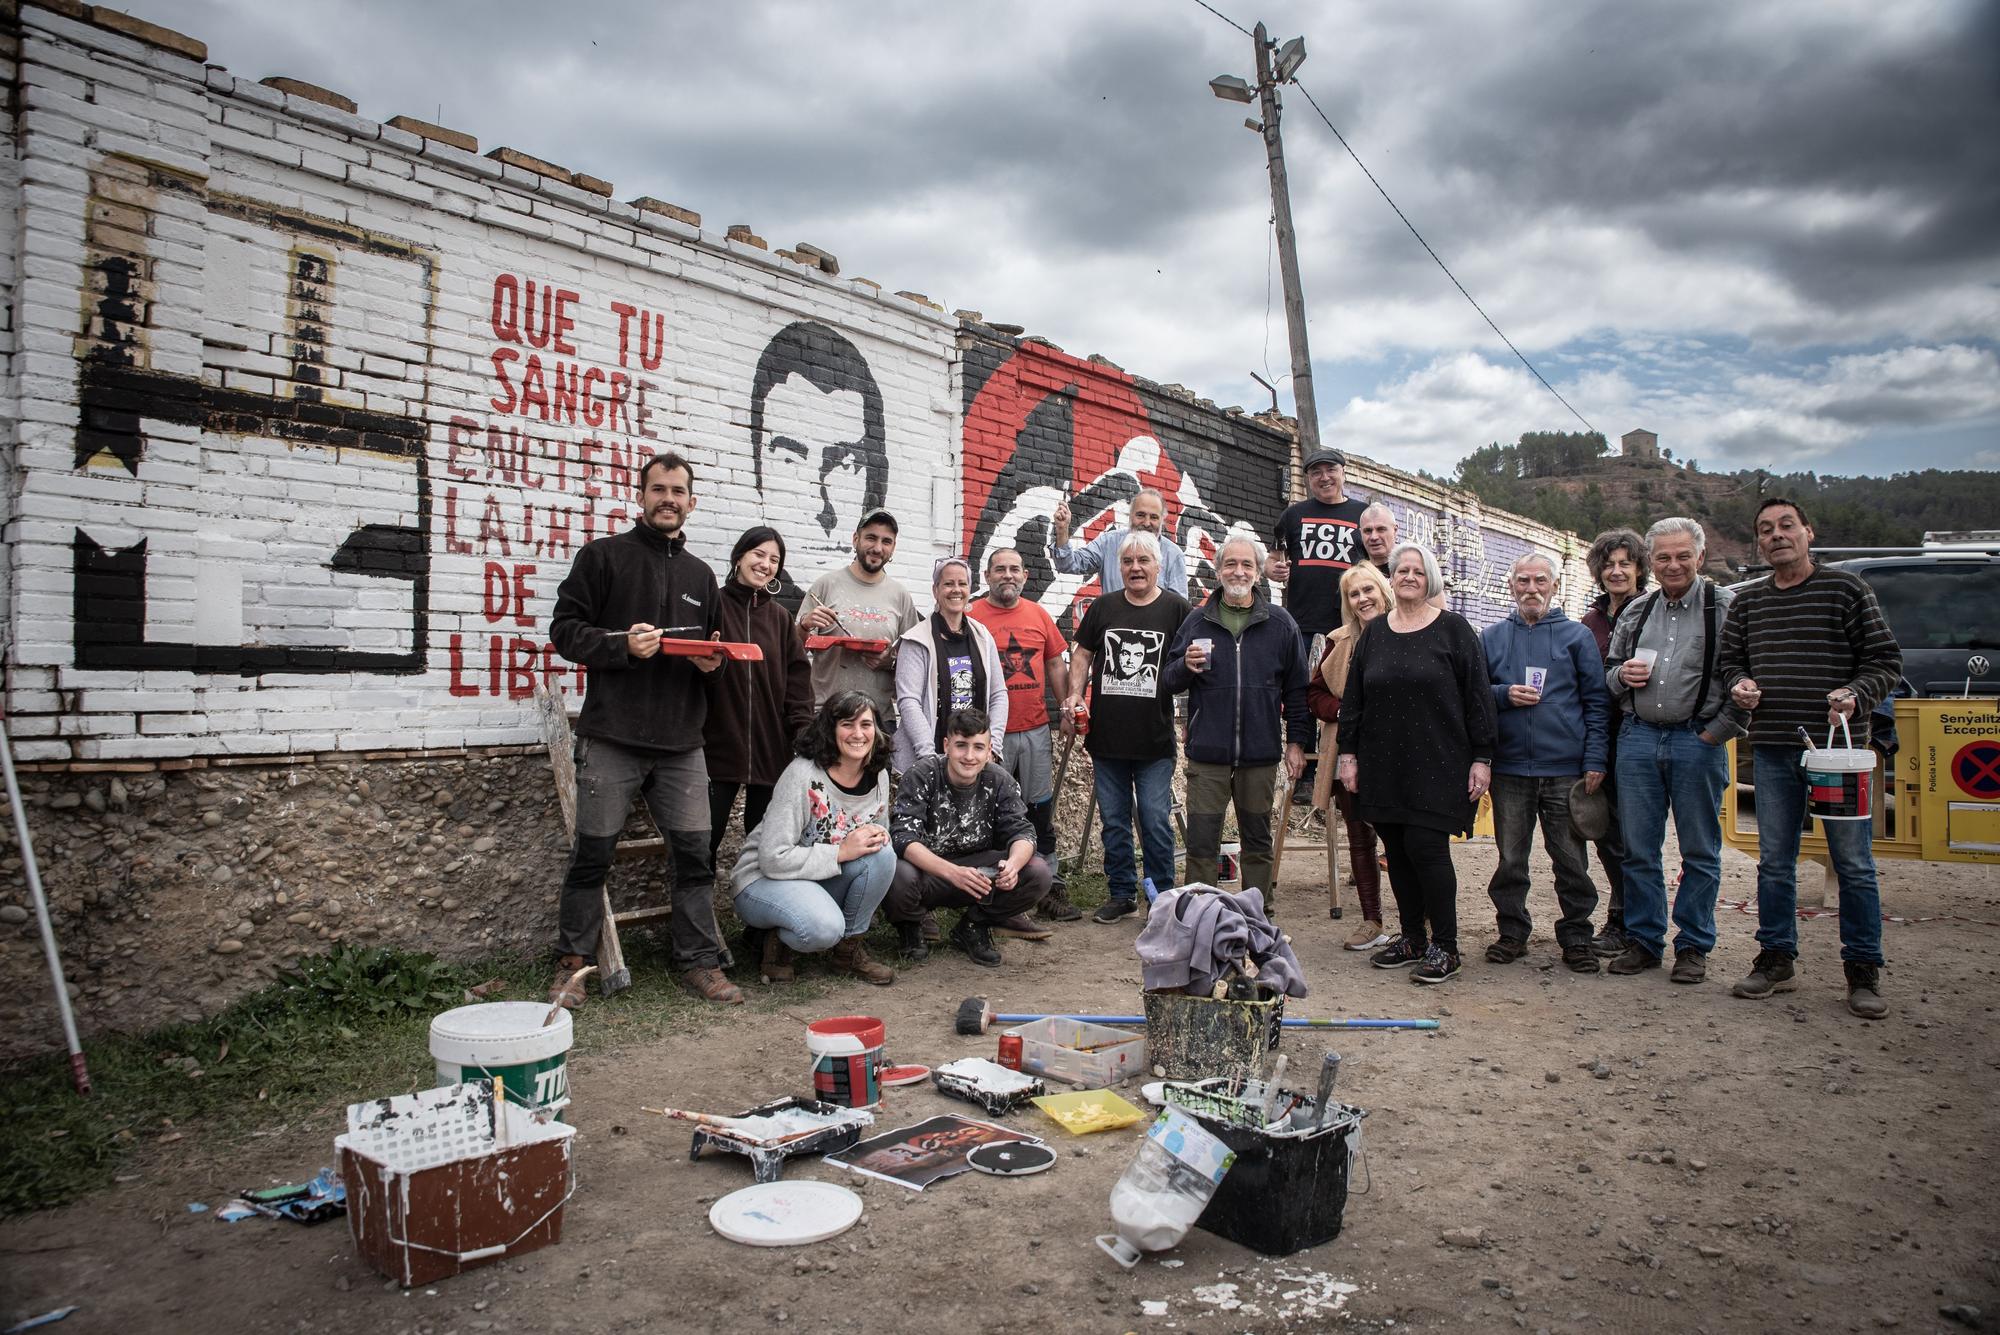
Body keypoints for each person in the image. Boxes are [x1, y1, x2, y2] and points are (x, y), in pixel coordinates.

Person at [547, 452, 738, 1007]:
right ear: (641, 496)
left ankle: (697, 962)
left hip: (683, 743)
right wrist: (621, 646)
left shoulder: (702, 576)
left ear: (691, 502)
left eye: (678, 491)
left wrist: (713, 663)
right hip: (612, 737)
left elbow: (712, 652)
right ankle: (572, 965)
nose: (668, 499)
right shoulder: (603, 557)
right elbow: (565, 630)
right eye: (659, 489)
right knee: (592, 854)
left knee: (695, 857)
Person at [1717, 498, 1901, 1018]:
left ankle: (1862, 971)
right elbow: (1731, 664)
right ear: (1758, 542)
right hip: (1774, 748)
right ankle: (1776, 959)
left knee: (1854, 863)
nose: (1776, 535)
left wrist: (1856, 693)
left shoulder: (1847, 589)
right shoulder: (1750, 603)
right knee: (1775, 861)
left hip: (1837, 757)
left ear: (1807, 533)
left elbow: (1885, 660)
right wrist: (1741, 686)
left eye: (1786, 526)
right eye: (1765, 529)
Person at [1336, 542, 1496, 985]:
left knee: (1427, 849)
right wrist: (1348, 756)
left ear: (1430, 580)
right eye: (1401, 570)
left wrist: (1482, 757)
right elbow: (1355, 700)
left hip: (1439, 760)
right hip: (1383, 763)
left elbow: (1478, 697)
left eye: (1417, 571)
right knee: (1399, 852)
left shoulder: (1455, 630)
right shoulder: (1376, 634)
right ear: (1392, 578)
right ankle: (1412, 939)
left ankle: (1447, 946)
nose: (1408, 576)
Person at [1603, 518, 1747, 985]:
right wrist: (1623, 678)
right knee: (1639, 850)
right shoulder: (1637, 611)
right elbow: (1609, 673)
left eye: (1683, 555)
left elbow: (1745, 680)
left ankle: (1692, 946)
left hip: (1696, 738)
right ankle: (1645, 940)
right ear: (1653, 561)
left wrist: (1717, 733)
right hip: (1640, 737)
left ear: (1700, 557)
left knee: (1699, 850)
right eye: (1663, 556)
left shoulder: (1726, 607)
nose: (1673, 564)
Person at [1161, 533, 1310, 907]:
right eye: (1230, 563)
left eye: (1246, 565)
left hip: (1261, 753)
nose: (1238, 571)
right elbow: (1166, 679)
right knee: (1201, 840)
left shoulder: (1281, 624)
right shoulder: (1197, 621)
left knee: (1257, 840)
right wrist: (1185, 666)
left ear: (1258, 573)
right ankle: (1200, 912)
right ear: (1218, 570)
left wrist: (1296, 743)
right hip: (1207, 753)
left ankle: (1258, 911)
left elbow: (1297, 690)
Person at [1480, 552, 1610, 974]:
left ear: (1554, 586)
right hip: (1511, 769)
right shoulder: (1493, 637)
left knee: (1571, 861)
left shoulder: (1577, 637)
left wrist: (1594, 759)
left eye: (1540, 581)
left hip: (1564, 770)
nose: (1531, 588)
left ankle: (1576, 937)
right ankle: (1512, 932)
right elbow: (1476, 696)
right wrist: (1503, 695)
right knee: (1510, 859)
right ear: (1512, 586)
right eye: (1523, 581)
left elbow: (1596, 702)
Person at [730, 690, 897, 987]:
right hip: (763, 880)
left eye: (866, 725)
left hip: (815, 875)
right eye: (847, 724)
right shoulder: (803, 775)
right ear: (830, 729)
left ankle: (848, 950)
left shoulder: (878, 775)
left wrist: (867, 842)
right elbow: (772, 858)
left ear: (877, 731)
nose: (858, 734)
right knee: (822, 930)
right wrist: (840, 852)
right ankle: (776, 940)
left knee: (883, 852)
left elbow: (878, 837)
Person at [1069, 532, 1193, 923]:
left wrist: (1190, 718)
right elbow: (1083, 652)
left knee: (1155, 818)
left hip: (1155, 740)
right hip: (1106, 738)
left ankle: (1163, 898)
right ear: (1118, 567)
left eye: (1143, 561)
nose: (1135, 568)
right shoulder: (1104, 607)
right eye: (1128, 561)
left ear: (1159, 566)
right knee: (1115, 820)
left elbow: (1193, 666)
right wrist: (1075, 695)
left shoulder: (1177, 609)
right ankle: (1122, 893)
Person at [886, 708, 1052, 967]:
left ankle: (974, 925)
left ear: (989, 751)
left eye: (978, 747)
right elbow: (903, 839)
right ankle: (911, 926)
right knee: (896, 872)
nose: (969, 756)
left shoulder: (999, 779)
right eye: (961, 746)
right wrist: (952, 872)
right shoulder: (922, 773)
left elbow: (1023, 832)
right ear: (946, 745)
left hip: (980, 874)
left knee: (1038, 871)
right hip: (929, 871)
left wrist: (1013, 866)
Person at [967, 547, 1077, 921]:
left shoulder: (1038, 614)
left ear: (1026, 576)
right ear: (987, 576)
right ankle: (993, 890)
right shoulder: (970, 615)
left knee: (1038, 809)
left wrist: (1064, 710)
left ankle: (1050, 886)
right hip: (986, 736)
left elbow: (1055, 663)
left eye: (1015, 569)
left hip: (1034, 728)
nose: (1007, 576)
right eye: (1000, 569)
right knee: (990, 810)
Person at [750, 321, 889, 599]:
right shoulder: (732, 606)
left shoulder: (908, 619)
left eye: (844, 464)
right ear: (758, 472)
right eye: (790, 461)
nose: (819, 506)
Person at [705, 526, 815, 863]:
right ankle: (695, 911)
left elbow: (797, 680)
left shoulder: (781, 618)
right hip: (716, 747)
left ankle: (759, 913)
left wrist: (801, 733)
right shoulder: (713, 605)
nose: (765, 564)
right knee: (705, 839)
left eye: (774, 560)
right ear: (739, 556)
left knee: (764, 840)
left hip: (770, 748)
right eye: (758, 554)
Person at [1306, 563, 1394, 951]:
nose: (1362, 599)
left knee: (1405, 839)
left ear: (1384, 590)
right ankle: (1371, 920)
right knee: (1360, 838)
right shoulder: (1338, 641)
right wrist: (1343, 710)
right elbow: (1314, 694)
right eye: (1354, 594)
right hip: (1350, 755)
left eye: (1368, 590)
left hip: (1401, 754)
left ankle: (1419, 919)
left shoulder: (1411, 630)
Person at [1579, 529, 1649, 957]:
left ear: (1640, 569)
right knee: (1606, 834)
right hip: (1600, 737)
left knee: (1635, 838)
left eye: (1625, 563)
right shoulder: (1591, 620)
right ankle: (1622, 917)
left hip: (1639, 733)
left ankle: (1636, 924)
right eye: (1609, 564)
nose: (1617, 571)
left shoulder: (1653, 612)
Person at [798, 509, 921, 720]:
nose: (877, 548)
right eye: (871, 538)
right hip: (827, 716)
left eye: (886, 541)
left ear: (893, 548)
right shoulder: (826, 585)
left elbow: (914, 661)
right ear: (856, 539)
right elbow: (793, 649)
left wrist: (889, 661)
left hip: (878, 719)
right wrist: (804, 626)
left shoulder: (901, 596)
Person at [893, 556, 1009, 771]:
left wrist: (992, 747)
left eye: (962, 584)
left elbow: (998, 694)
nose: (956, 590)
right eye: (948, 584)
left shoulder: (983, 636)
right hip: (927, 757)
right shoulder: (916, 640)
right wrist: (928, 757)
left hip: (972, 757)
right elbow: (909, 702)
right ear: (935, 590)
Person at [1049, 485, 1191, 597]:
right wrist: (1062, 530)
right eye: (1141, 515)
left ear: (1162, 520)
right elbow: (1068, 564)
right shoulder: (1109, 543)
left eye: (1154, 517)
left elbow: (1179, 609)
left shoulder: (1173, 554)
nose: (1147, 523)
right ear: (1130, 516)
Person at [1358, 501, 1446, 608]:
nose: (1374, 537)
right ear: (1360, 533)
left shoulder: (1418, 568)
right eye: (1368, 531)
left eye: (1381, 529)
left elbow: (1441, 617)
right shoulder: (1358, 574)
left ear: (1395, 530)